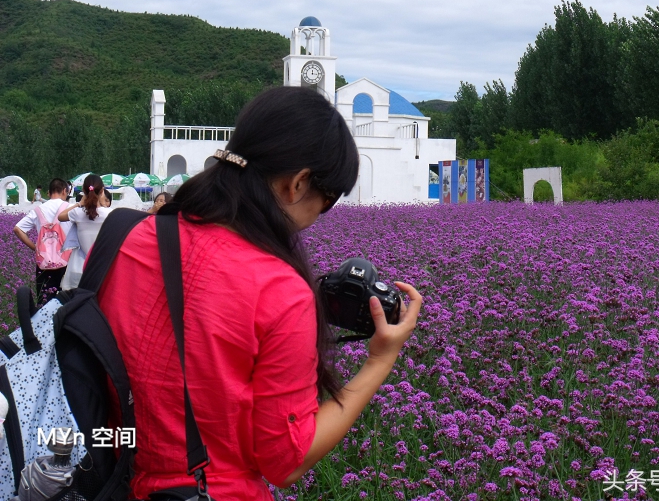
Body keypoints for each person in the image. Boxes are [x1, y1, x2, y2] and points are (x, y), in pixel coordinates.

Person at [96, 87, 422, 500]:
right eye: (326, 202)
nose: (317, 219)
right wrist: (381, 359)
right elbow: (286, 461)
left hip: (108, 481)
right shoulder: (280, 293)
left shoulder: (129, 237)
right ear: (299, 183)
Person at [13, 178, 73, 301]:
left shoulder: (38, 210)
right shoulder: (70, 208)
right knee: (66, 301)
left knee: (44, 301)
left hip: (44, 263)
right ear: (64, 191)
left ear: (49, 192)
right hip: (66, 262)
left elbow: (17, 229)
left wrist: (35, 248)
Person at [58, 174, 114, 290]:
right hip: (102, 269)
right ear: (102, 191)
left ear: (84, 190)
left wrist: (79, 203)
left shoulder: (78, 213)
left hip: (78, 267)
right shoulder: (110, 214)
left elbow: (60, 216)